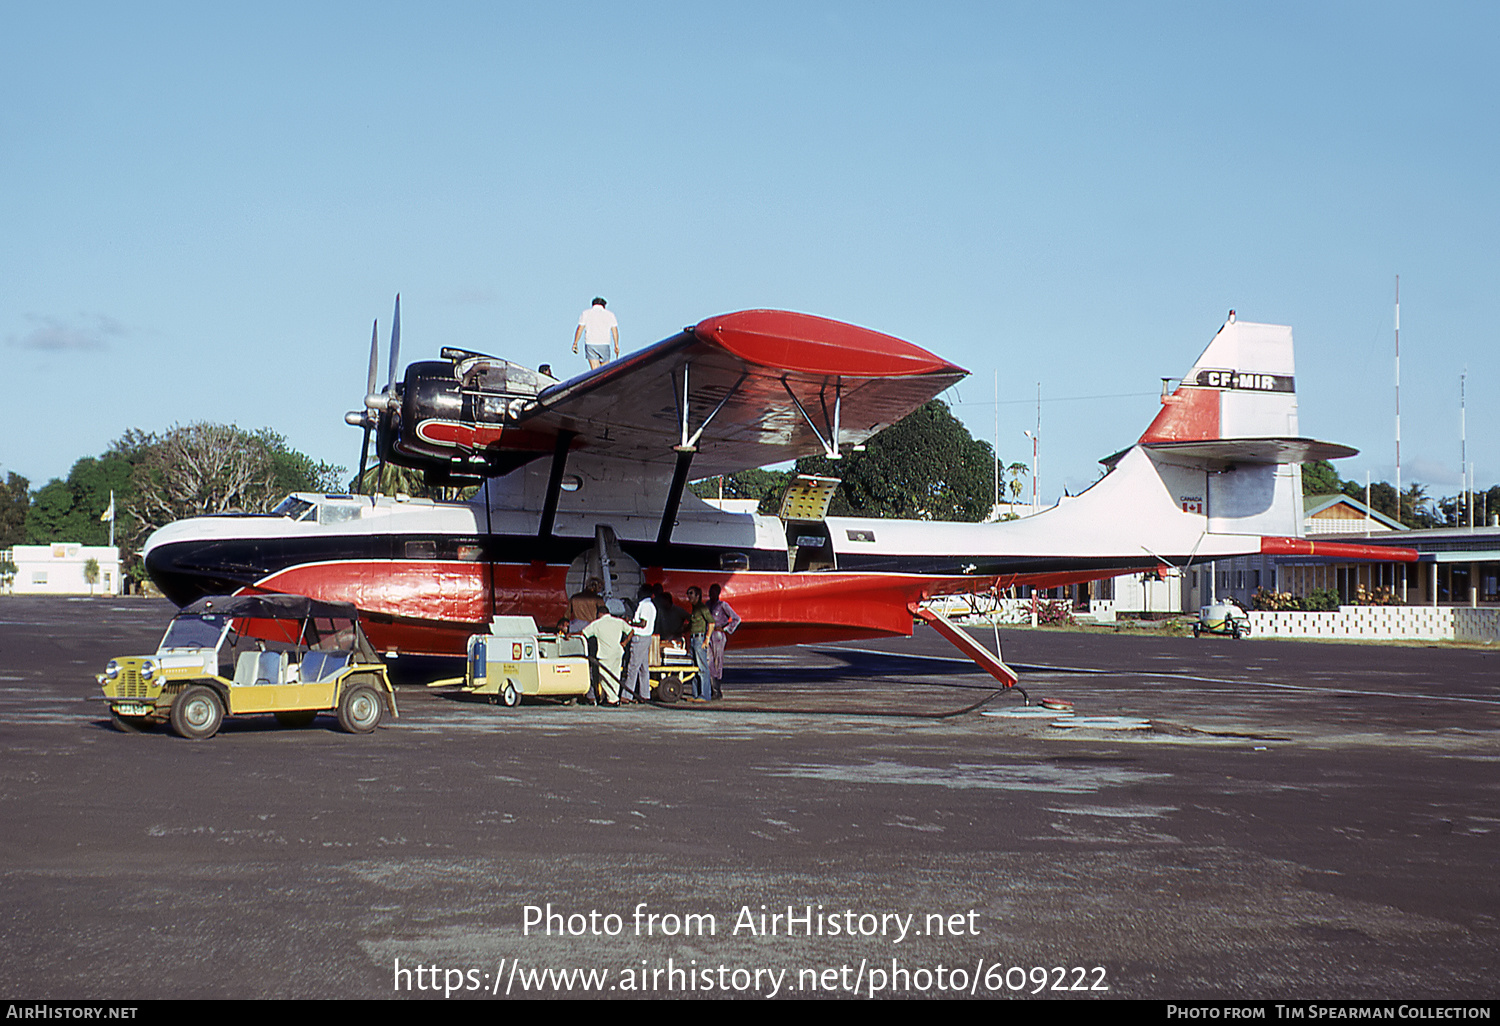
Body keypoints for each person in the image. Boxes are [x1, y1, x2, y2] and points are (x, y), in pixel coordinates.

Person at [581, 610, 632, 706]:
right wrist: (624, 643)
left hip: (605, 654)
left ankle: (613, 699)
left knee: (603, 676)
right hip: (617, 652)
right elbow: (631, 631)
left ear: (600, 614)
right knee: (615, 676)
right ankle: (609, 697)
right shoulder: (618, 621)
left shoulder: (597, 624)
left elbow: (584, 633)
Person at [621, 586, 656, 704]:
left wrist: (629, 622)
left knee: (633, 667)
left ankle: (627, 695)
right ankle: (645, 695)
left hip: (640, 638)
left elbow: (642, 623)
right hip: (646, 638)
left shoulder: (645, 606)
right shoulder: (650, 605)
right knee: (643, 668)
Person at [707, 583, 741, 700]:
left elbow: (736, 618)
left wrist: (726, 629)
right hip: (708, 634)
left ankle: (717, 690)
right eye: (710, 591)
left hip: (718, 634)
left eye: (714, 592)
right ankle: (712, 687)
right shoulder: (707, 605)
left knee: (718, 660)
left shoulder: (723, 605)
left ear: (718, 593)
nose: (711, 594)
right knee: (708, 660)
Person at [684, 585, 714, 702]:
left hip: (699, 638)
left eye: (691, 594)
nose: (689, 596)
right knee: (695, 668)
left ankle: (705, 695)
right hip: (693, 639)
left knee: (702, 668)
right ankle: (696, 694)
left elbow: (711, 623)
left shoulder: (702, 608)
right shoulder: (694, 609)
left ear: (698, 595)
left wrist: (706, 639)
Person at [572, 297, 619, 369]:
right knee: (605, 369)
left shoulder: (586, 313)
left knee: (595, 371)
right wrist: (616, 345)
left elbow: (580, 329)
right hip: (604, 343)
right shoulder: (610, 314)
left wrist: (575, 343)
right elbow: (614, 331)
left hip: (590, 343)